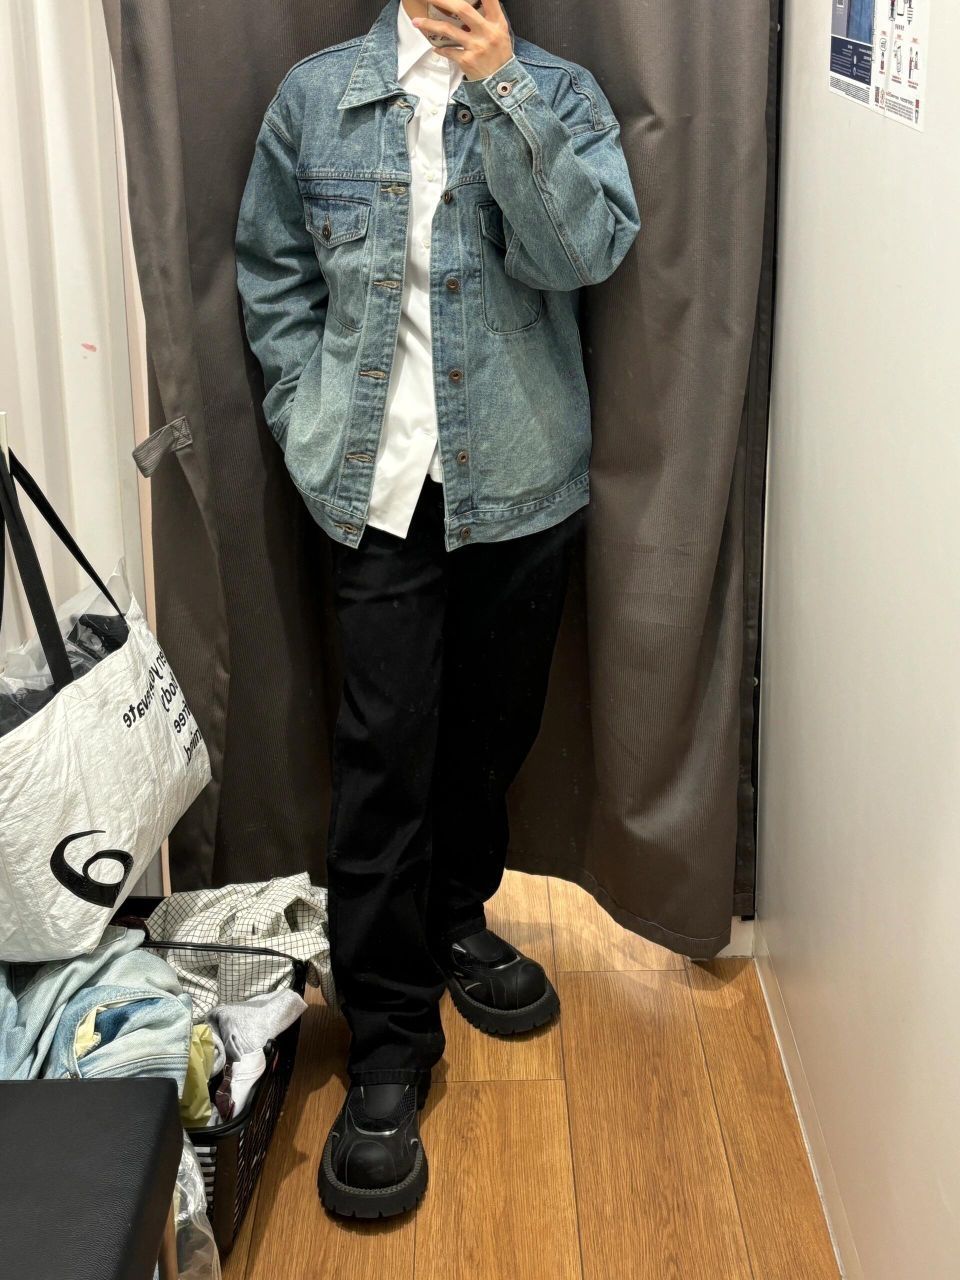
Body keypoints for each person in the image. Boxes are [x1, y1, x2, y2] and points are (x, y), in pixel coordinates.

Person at [235, 0, 639, 1219]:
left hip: (520, 479)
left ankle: (458, 915)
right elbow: (273, 274)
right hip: (376, 486)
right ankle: (388, 1040)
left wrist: (506, 87)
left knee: (490, 736)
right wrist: (306, 424)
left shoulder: (560, 94)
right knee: (382, 760)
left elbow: (584, 254)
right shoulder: (315, 99)